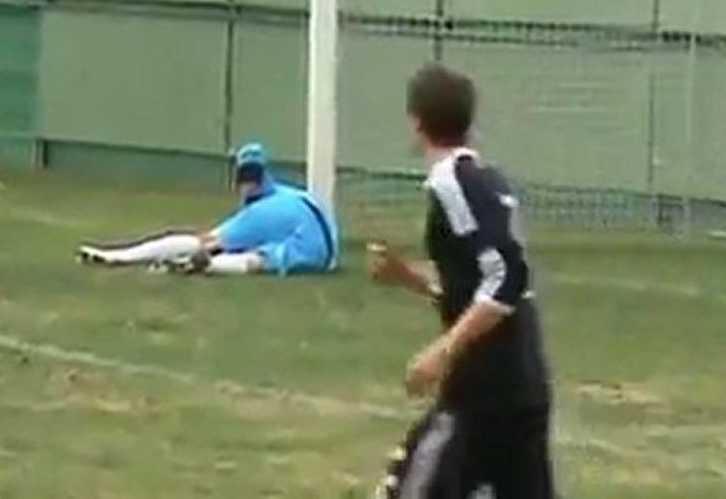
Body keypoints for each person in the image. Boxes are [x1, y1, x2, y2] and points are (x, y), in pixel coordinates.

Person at [368, 64, 554, 499]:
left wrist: (443, 349)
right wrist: (408, 276)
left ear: (416, 121)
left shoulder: (452, 183)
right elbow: (482, 285)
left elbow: (507, 276)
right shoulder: (488, 180)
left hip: (481, 391)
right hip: (521, 381)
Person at [76, 142, 340, 276]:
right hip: (330, 255)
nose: (247, 185)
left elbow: (209, 241)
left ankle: (124, 257)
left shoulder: (262, 212)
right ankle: (126, 257)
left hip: (309, 256)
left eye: (250, 177)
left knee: (241, 254)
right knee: (257, 250)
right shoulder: (290, 194)